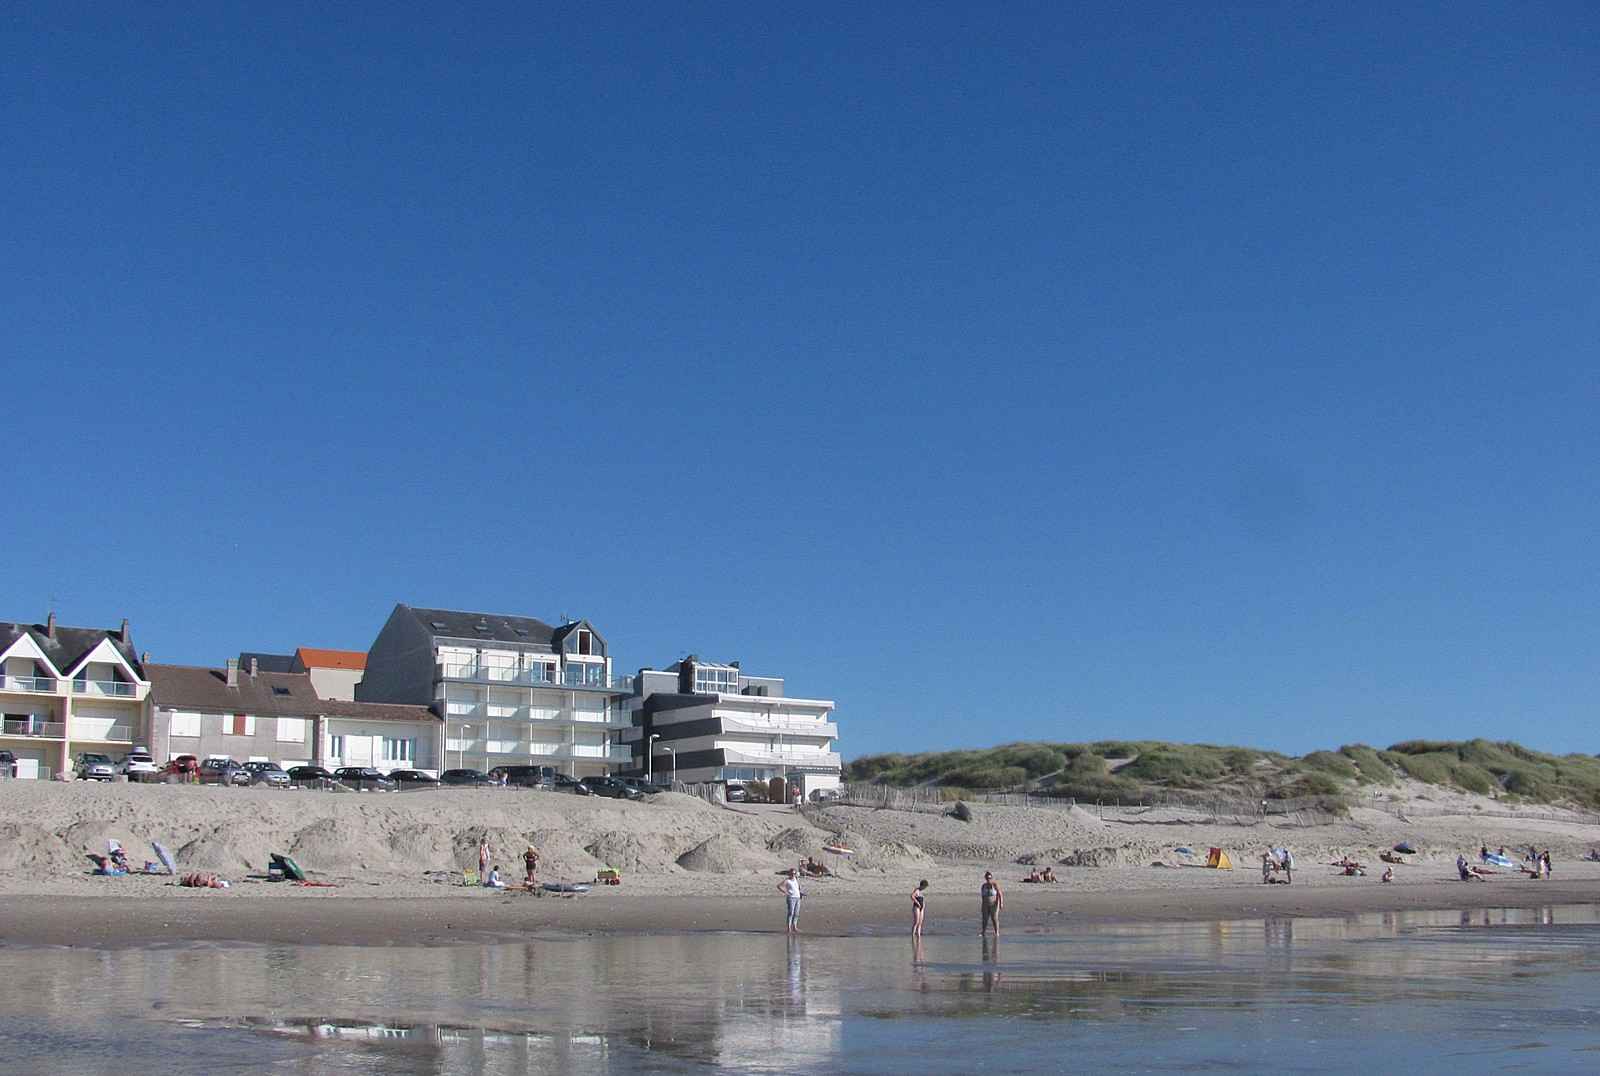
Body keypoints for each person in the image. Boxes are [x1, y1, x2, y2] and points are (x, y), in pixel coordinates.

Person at [779, 868, 802, 934]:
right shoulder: (787, 880)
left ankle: (795, 927)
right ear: (789, 874)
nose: (793, 875)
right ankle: (789, 928)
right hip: (791, 898)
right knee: (791, 913)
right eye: (792, 873)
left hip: (798, 898)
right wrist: (785, 892)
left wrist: (800, 892)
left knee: (796, 913)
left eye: (794, 873)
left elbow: (797, 888)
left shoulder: (796, 879)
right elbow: (779, 886)